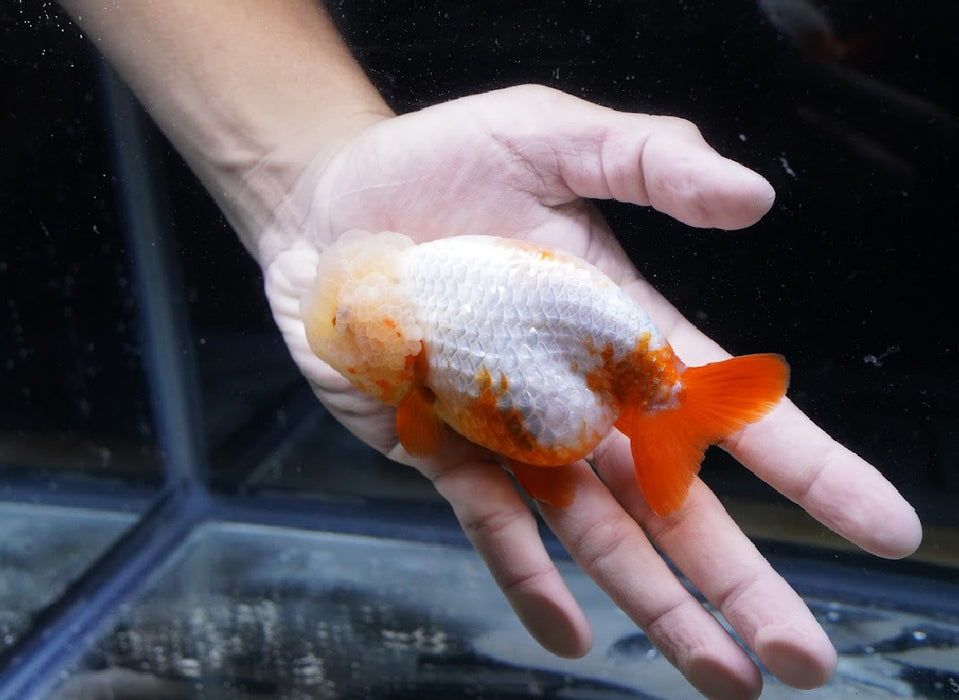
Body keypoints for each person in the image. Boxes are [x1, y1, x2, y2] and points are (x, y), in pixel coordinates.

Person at [55, 1, 923, 698]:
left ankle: (664, 409)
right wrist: (306, 167)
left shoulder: (433, 310)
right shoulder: (415, 305)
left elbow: (460, 390)